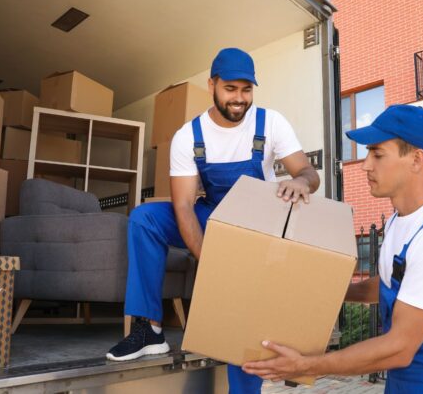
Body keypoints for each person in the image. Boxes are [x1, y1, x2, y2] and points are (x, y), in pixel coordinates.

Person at [106, 47, 320, 394]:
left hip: (255, 227)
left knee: (244, 315)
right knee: (144, 218)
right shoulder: (188, 136)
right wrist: (212, 263)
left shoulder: (271, 123)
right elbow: (184, 207)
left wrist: (300, 181)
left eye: (246, 90)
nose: (239, 99)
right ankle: (149, 330)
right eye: (230, 89)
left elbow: (310, 173)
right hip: (211, 215)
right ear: (212, 85)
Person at [242, 104, 423, 393]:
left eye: (377, 154)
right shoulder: (401, 220)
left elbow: (399, 348)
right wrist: (335, 294)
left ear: (416, 160)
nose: (365, 165)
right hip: (403, 381)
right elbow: (392, 285)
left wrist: (306, 365)